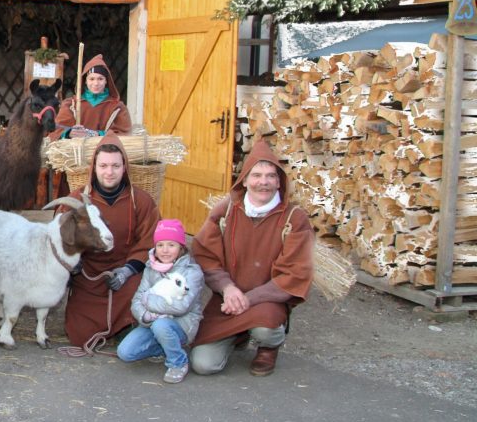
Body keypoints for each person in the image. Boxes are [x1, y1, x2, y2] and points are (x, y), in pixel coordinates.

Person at [189, 140, 314, 377]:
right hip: (227, 298)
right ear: (244, 180)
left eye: (270, 176)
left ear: (279, 182)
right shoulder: (225, 211)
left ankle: (269, 345)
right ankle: (239, 335)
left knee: (265, 329)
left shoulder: (294, 219)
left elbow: (294, 273)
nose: (263, 182)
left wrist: (248, 298)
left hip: (267, 300)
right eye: (256, 175)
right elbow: (205, 254)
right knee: (203, 365)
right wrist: (226, 288)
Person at [62, 134, 160, 349]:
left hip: (126, 276)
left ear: (124, 167)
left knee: (134, 310)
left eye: (115, 166)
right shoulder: (76, 200)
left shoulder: (141, 201)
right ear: (94, 167)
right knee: (80, 336)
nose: (109, 172)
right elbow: (60, 238)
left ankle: (128, 328)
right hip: (88, 277)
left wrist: (127, 271)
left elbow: (149, 241)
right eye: (103, 165)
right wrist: (73, 263)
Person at [117, 219, 205, 384]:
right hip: (152, 323)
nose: (165, 250)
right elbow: (137, 299)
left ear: (181, 248)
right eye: (160, 245)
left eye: (171, 245)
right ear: (155, 247)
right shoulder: (150, 268)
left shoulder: (191, 272)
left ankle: (178, 362)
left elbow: (181, 306)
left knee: (161, 325)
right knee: (126, 353)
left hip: (181, 325)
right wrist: (144, 316)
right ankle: (166, 347)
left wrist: (148, 300)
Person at [50, 54, 132, 140]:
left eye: (100, 79)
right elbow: (56, 130)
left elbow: (125, 134)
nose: (96, 83)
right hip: (75, 152)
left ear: (106, 81)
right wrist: (68, 133)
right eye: (91, 79)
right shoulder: (71, 105)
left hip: (105, 151)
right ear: (85, 81)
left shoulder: (117, 107)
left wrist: (97, 134)